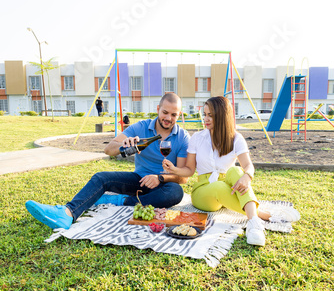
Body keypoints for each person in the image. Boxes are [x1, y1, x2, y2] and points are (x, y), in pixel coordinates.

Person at [25, 93, 190, 230]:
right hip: (138, 181)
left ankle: (120, 200)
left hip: (164, 185)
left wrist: (160, 178)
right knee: (101, 177)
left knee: (176, 192)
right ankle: (67, 213)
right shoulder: (141, 127)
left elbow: (182, 178)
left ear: (179, 115)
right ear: (158, 109)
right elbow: (109, 149)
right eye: (165, 112)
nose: (168, 118)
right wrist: (124, 145)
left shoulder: (182, 137)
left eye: (173, 114)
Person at [162, 96, 299, 246]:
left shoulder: (236, 138)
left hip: (228, 187)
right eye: (205, 114)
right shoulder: (197, 138)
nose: (205, 119)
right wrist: (174, 170)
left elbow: (248, 166)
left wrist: (247, 176)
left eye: (210, 115)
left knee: (236, 170)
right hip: (202, 193)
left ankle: (254, 224)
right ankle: (260, 215)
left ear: (221, 116)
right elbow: (189, 170)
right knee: (220, 186)